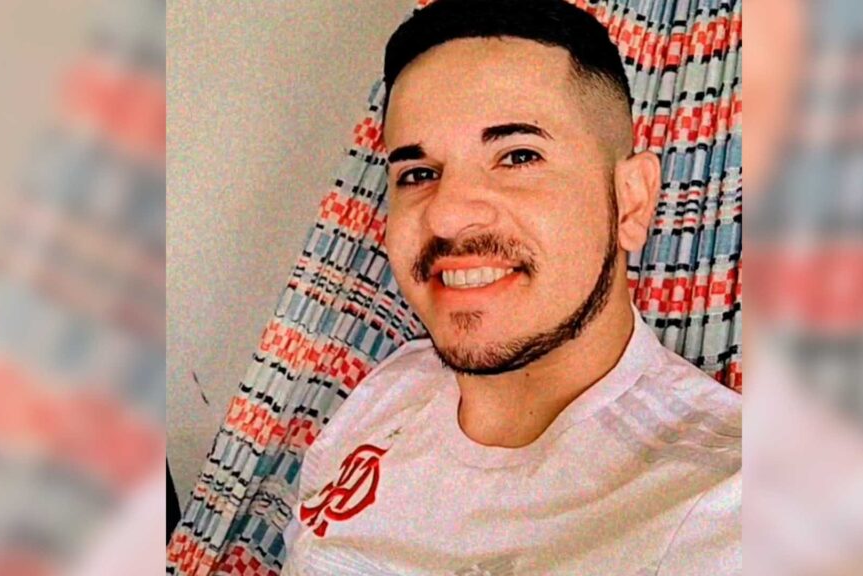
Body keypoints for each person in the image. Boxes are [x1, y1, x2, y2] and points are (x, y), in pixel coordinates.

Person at [280, 0, 740, 573]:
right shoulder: (387, 392)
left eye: (518, 156)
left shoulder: (726, 504)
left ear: (632, 200)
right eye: (417, 174)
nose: (447, 215)